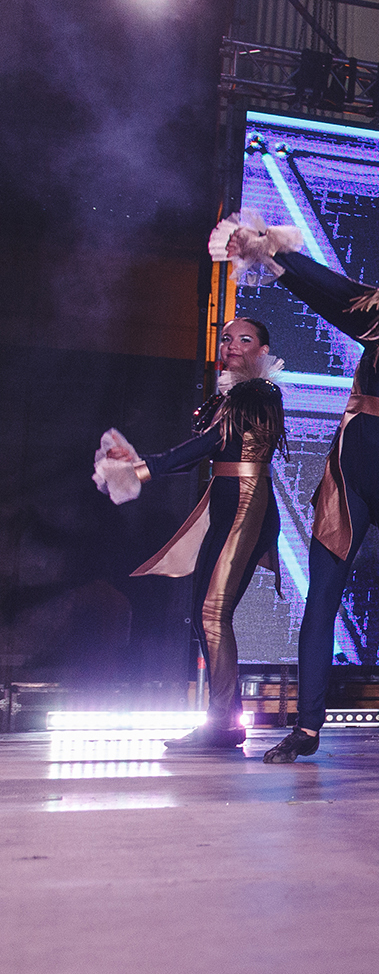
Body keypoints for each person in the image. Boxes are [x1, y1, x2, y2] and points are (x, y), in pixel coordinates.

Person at [210, 216, 379, 763]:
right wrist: (273, 260)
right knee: (321, 597)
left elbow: (345, 301)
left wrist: (275, 255)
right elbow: (346, 306)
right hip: (350, 460)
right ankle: (307, 728)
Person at [93, 318, 285, 750]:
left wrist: (142, 468)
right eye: (226, 338)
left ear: (262, 351)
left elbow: (209, 443)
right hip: (229, 507)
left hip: (245, 508)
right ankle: (226, 719)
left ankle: (222, 724)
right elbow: (206, 451)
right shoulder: (233, 395)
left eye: (245, 339)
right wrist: (141, 465)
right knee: (204, 614)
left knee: (212, 614)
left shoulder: (259, 393)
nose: (232, 345)